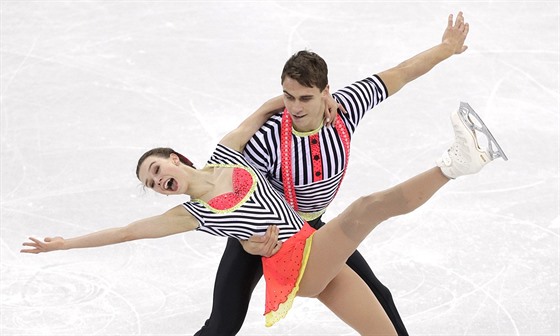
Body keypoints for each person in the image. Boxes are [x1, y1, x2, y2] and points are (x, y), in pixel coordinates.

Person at [21, 92, 507, 334]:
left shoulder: (229, 152)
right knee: (365, 209)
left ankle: (457, 164)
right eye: (151, 183)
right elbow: (126, 233)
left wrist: (317, 104)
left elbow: (267, 109)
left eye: (156, 168)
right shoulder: (193, 214)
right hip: (296, 264)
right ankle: (456, 164)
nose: (157, 180)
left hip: (316, 250)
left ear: (175, 157)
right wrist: (64, 243)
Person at [196, 11, 471, 336]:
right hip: (265, 235)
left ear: (326, 92)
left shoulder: (346, 107)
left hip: (312, 230)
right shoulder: (269, 138)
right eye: (288, 97)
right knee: (222, 325)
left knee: (380, 296)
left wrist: (446, 48)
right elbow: (236, 198)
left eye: (305, 98)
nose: (295, 107)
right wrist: (247, 242)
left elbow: (401, 73)